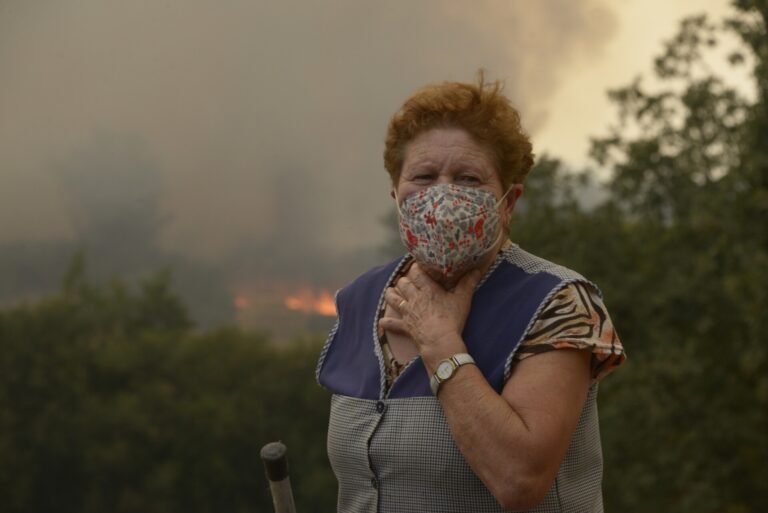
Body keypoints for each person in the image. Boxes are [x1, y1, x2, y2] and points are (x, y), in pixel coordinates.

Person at [316, 75, 625, 513]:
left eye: (468, 178)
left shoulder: (557, 302)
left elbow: (520, 480)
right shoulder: (360, 299)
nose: (443, 195)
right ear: (397, 195)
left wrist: (440, 345)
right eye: (424, 176)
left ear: (508, 202)